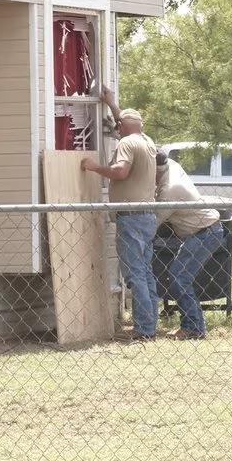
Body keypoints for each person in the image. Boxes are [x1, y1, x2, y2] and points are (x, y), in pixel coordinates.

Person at [81, 88, 159, 340]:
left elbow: (121, 171)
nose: (115, 127)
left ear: (123, 126)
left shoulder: (127, 143)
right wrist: (113, 105)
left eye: (118, 124)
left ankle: (144, 330)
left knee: (135, 274)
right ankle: (150, 325)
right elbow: (126, 123)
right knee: (145, 272)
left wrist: (94, 168)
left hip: (131, 217)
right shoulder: (146, 141)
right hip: (147, 216)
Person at [155, 151, 224, 339]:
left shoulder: (169, 190)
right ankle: (193, 325)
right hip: (205, 231)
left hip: (204, 232)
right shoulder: (172, 165)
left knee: (179, 277)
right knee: (180, 276)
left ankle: (193, 327)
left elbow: (153, 223)